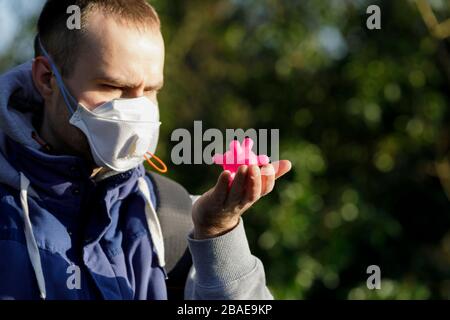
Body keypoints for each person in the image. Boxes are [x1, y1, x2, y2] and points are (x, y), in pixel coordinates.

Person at [0, 0, 291, 300]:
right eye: (113, 87)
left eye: (150, 90)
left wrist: (218, 232)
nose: (137, 111)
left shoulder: (174, 218)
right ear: (47, 79)